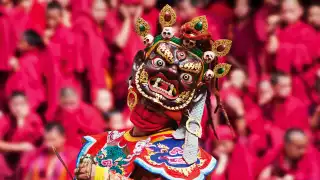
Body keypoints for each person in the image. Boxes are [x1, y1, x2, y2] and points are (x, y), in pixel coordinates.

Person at [74, 5, 233, 179]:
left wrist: (105, 177)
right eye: (145, 100)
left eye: (157, 108)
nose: (170, 72)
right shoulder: (103, 143)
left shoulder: (180, 156)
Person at [104, 0, 145, 110]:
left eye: (135, 6)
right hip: (121, 76)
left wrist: (136, 21)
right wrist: (127, 20)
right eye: (128, 6)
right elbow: (120, 42)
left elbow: (147, 43)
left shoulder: (142, 22)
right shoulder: (112, 19)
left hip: (141, 75)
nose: (131, 9)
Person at [0, 91, 44, 179]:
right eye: (15, 105)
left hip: (29, 158)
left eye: (21, 104)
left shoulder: (35, 119)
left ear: (27, 104)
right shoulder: (6, 119)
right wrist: (20, 147)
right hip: (10, 157)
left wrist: (22, 122)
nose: (18, 108)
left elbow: (40, 142)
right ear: (9, 105)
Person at [73, 0, 110, 102]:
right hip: (93, 81)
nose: (100, 14)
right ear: (89, 10)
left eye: (103, 10)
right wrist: (99, 88)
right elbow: (94, 59)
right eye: (97, 10)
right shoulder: (86, 26)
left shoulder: (101, 27)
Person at [5, 29, 46, 111]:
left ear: (31, 46)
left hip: (27, 102)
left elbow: (32, 83)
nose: (18, 44)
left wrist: (17, 69)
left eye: (22, 42)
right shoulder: (25, 58)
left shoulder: (32, 60)